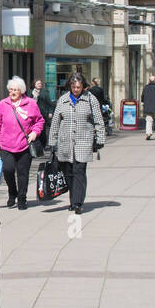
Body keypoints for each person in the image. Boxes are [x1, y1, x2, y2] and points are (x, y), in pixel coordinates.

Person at [48, 71, 106, 214]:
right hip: (65, 142)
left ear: (83, 86)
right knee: (68, 173)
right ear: (70, 86)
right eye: (73, 87)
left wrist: (100, 138)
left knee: (79, 171)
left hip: (83, 140)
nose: (76, 90)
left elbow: (98, 120)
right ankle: (73, 199)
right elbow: (55, 121)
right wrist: (52, 141)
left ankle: (78, 203)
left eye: (78, 87)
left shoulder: (90, 99)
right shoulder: (63, 99)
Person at [0, 76, 44, 210]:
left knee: (23, 173)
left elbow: (40, 121)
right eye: (10, 90)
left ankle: (22, 198)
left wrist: (34, 133)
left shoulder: (31, 103)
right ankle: (12, 192)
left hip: (24, 145)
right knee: (8, 170)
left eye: (15, 90)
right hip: (6, 145)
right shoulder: (3, 104)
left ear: (21, 91)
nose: (12, 92)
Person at [33, 79, 54, 148]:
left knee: (42, 131)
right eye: (38, 83)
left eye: (40, 83)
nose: (40, 85)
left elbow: (50, 103)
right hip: (33, 114)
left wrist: (50, 112)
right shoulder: (31, 92)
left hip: (43, 114)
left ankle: (43, 145)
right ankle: (35, 145)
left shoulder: (45, 92)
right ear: (34, 84)